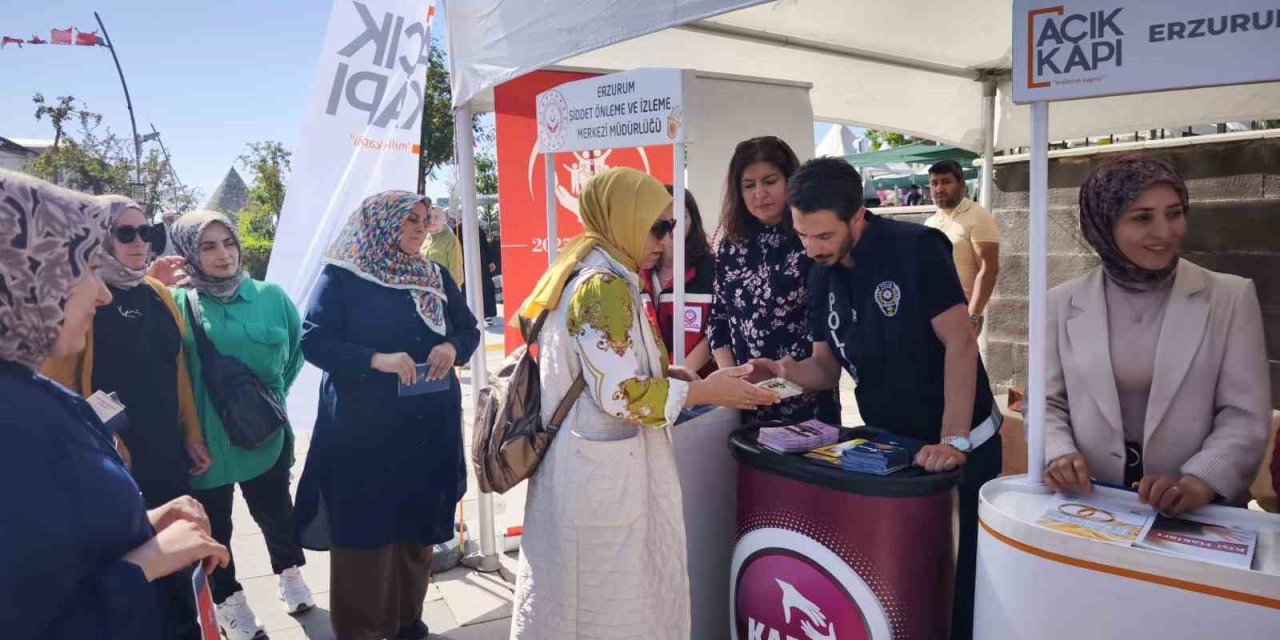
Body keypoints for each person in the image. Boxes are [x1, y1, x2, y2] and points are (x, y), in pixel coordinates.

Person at [509, 168, 780, 639]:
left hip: (593, 471)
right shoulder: (603, 286)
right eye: (658, 226)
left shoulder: (598, 271)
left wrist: (669, 375)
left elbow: (602, 371)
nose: (666, 239)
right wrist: (705, 392)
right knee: (607, 609)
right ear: (623, 220)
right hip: (600, 481)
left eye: (672, 226)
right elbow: (618, 395)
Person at [758, 157, 1002, 640]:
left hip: (958, 443)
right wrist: (781, 373)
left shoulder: (915, 249)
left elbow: (959, 342)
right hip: (892, 449)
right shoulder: (821, 275)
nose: (812, 249)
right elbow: (825, 369)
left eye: (824, 236)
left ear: (857, 216)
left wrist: (953, 440)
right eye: (803, 236)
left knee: (960, 588)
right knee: (901, 583)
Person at [0, 170, 229, 640]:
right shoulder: (20, 425)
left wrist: (145, 522)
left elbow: (60, 545)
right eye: (85, 265)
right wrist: (147, 561)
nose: (101, 291)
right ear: (25, 272)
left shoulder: (32, 401)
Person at [295, 191, 481, 640]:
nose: (419, 228)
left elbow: (469, 328)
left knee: (415, 533)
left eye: (423, 220)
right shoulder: (344, 275)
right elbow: (313, 340)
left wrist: (452, 346)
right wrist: (374, 359)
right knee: (366, 537)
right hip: (365, 432)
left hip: (426, 428)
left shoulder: (433, 274)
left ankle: (406, 623)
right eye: (408, 221)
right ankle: (362, 632)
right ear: (380, 224)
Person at [1042, 155, 1271, 516]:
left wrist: (1199, 482)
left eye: (1174, 213)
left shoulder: (1230, 296)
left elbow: (1244, 414)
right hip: (1091, 505)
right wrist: (1059, 453)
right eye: (1142, 217)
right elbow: (1045, 403)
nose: (1165, 231)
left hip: (1196, 511)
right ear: (1104, 223)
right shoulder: (1060, 303)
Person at [170, 210, 314, 640]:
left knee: (276, 513)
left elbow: (294, 355)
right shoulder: (176, 302)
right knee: (215, 527)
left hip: (262, 435)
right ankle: (228, 601)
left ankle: (290, 574)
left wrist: (265, 404)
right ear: (187, 253)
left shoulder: (270, 295)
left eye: (228, 243)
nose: (223, 255)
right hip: (205, 444)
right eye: (207, 246)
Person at [43, 196, 211, 508]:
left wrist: (192, 435)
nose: (139, 242)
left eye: (146, 233)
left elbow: (177, 368)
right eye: (125, 233)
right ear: (100, 238)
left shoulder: (157, 292)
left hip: (166, 448)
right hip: (111, 457)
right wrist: (98, 447)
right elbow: (58, 389)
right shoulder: (80, 297)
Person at [707, 136, 840, 425]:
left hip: (807, 400)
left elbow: (828, 329)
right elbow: (718, 320)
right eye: (749, 185)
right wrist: (733, 383)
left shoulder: (809, 240)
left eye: (769, 181)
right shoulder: (731, 245)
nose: (760, 194)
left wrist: (783, 378)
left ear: (789, 181)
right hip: (746, 403)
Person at [640, 185, 716, 375]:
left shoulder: (711, 268)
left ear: (693, 221)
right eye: (663, 218)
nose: (673, 225)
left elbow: (716, 331)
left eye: (681, 216)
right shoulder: (638, 270)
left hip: (701, 388)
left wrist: (679, 375)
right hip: (649, 386)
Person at [923, 160, 1000, 336]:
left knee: (962, 363)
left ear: (962, 185)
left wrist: (973, 316)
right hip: (933, 316)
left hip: (962, 315)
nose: (939, 188)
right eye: (934, 183)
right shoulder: (931, 222)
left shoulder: (978, 216)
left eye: (946, 182)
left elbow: (989, 269)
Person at [421, 205, 464, 288]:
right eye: (429, 217)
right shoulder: (423, 238)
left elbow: (457, 271)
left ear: (443, 219)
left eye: (436, 217)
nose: (432, 220)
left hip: (444, 290)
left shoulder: (450, 240)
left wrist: (452, 292)